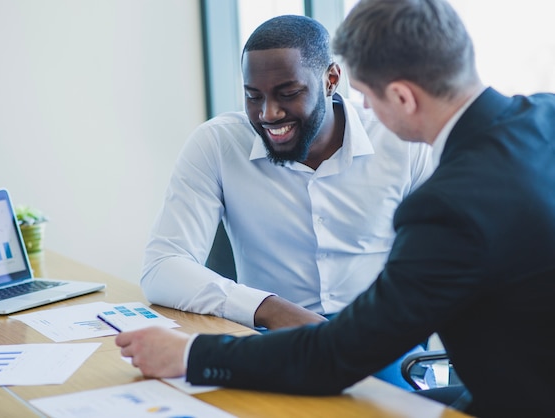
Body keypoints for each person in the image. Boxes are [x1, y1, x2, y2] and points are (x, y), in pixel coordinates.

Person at [117, 1, 555, 416]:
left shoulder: (445, 205)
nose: (365, 110)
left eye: (366, 95)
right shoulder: (546, 118)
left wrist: (191, 354)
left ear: (401, 97)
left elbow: (340, 353)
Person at [138, 14, 433, 389]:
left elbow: (435, 269)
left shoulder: (403, 144)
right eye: (253, 96)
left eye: (288, 93)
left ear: (331, 80)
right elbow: (162, 267)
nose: (268, 114)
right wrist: (272, 309)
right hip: (267, 339)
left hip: (379, 343)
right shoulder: (215, 144)